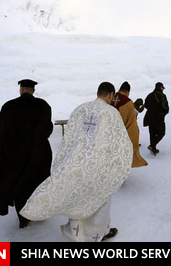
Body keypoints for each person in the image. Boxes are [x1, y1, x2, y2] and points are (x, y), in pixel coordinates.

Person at [20, 82, 133, 242]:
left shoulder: (80, 109)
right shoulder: (111, 113)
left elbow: (69, 139)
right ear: (110, 95)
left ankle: (76, 232)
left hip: (77, 164)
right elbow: (120, 142)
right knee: (99, 200)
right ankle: (98, 233)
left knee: (78, 196)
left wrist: (68, 160)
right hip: (98, 166)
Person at [0, 79, 53, 228]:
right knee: (38, 183)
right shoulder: (43, 106)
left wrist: (4, 155)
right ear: (33, 91)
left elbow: (1, 133)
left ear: (21, 90)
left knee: (20, 186)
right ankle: (39, 212)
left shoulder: (8, 106)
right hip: (39, 154)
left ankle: (23, 218)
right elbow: (46, 131)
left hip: (15, 155)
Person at [112, 81, 147, 168]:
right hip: (121, 136)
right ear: (127, 92)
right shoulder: (128, 102)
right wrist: (134, 143)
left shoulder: (110, 98)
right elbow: (132, 124)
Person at [143, 82, 169, 156]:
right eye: (163, 88)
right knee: (162, 132)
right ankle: (152, 146)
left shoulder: (149, 95)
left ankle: (153, 148)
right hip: (158, 117)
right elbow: (165, 107)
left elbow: (146, 105)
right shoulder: (162, 95)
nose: (163, 89)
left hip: (149, 116)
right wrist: (164, 112)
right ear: (160, 87)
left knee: (152, 133)